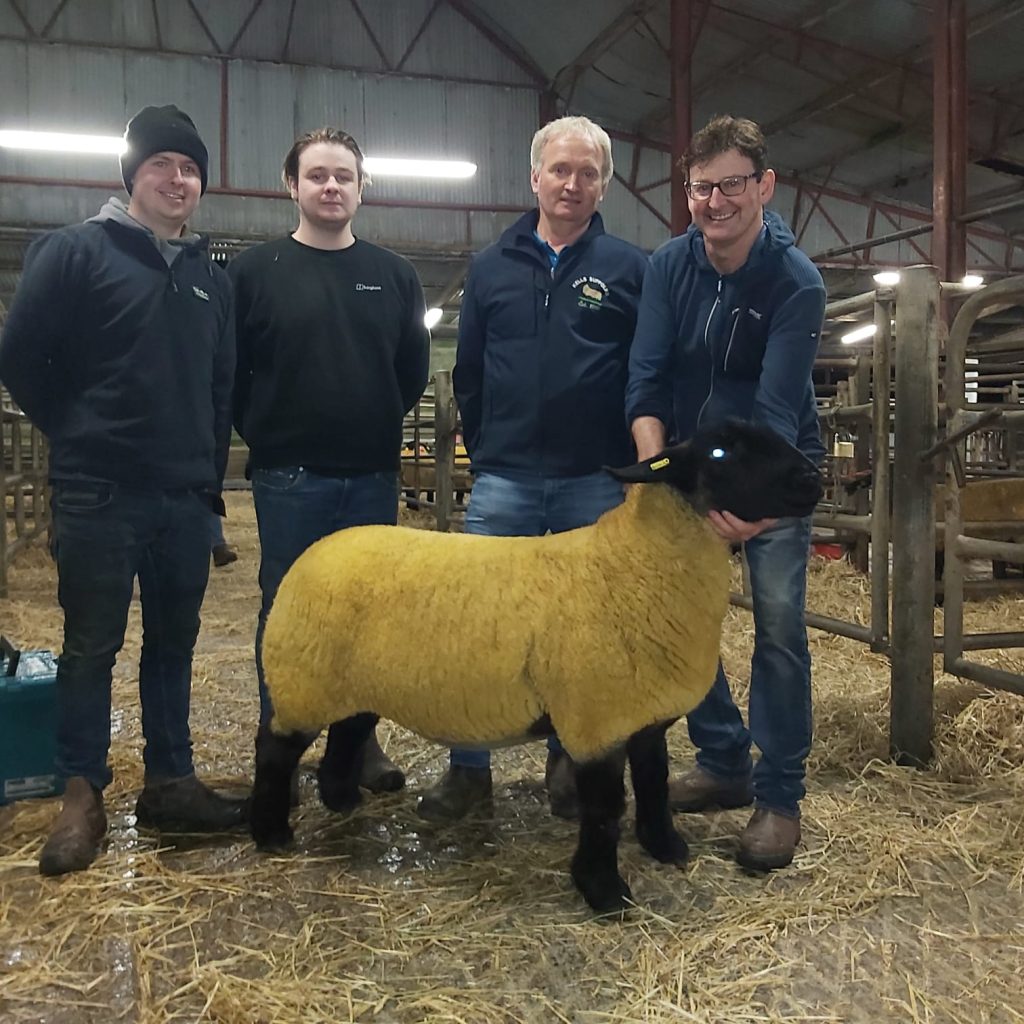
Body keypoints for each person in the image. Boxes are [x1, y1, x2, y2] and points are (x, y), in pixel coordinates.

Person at [0, 104, 245, 876]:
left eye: (191, 168)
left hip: (181, 496)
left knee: (174, 647)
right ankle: (82, 794)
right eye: (163, 165)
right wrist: (79, 430)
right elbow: (21, 357)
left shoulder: (211, 277)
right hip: (99, 491)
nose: (180, 180)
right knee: (90, 647)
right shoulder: (73, 252)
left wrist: (209, 490)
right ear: (132, 176)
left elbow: (219, 388)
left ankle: (171, 780)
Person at [419, 115, 648, 823]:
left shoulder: (629, 268)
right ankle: (468, 769)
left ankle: (573, 765)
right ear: (534, 177)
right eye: (561, 170)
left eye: (588, 173)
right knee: (477, 623)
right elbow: (473, 370)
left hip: (592, 483)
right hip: (506, 480)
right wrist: (487, 451)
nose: (572, 183)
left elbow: (642, 369)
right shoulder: (491, 267)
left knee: (585, 631)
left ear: (603, 183)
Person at [626, 115, 825, 871]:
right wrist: (657, 477)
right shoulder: (668, 267)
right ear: (688, 194)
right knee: (682, 626)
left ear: (764, 187)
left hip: (770, 474)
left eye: (731, 185)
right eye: (702, 187)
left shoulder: (795, 283)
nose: (716, 202)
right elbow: (645, 379)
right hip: (688, 470)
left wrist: (743, 517)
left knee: (776, 632)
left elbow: (773, 418)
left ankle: (779, 798)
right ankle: (722, 762)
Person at [229, 127, 429, 794]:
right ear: (292, 186)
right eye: (317, 175)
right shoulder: (253, 272)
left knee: (367, 616)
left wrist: (366, 424)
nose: (331, 186)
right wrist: (269, 431)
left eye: (344, 175)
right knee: (288, 611)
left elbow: (410, 372)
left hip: (369, 475)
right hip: (290, 477)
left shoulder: (393, 274)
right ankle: (277, 747)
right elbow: (233, 373)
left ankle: (355, 747)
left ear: (362, 187)